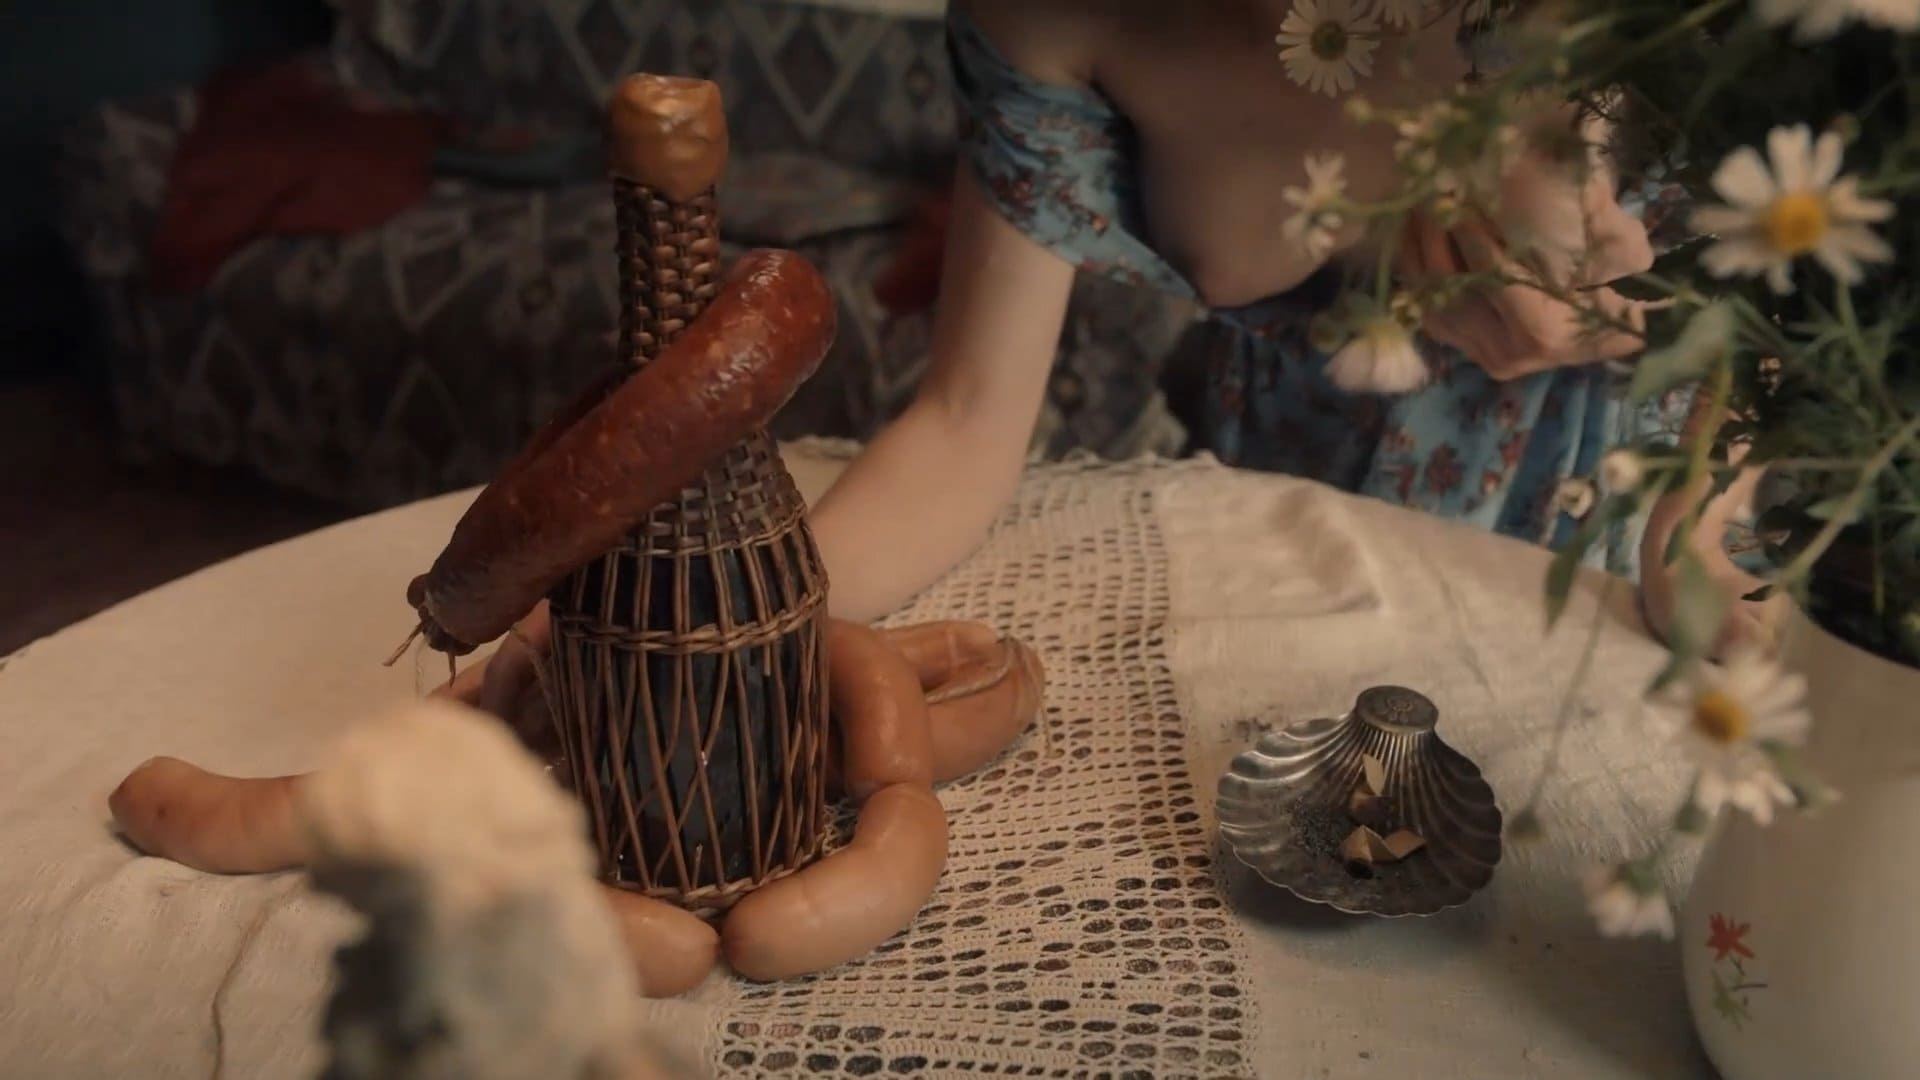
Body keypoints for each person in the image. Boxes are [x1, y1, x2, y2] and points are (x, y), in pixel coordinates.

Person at [805, 0, 1726, 629]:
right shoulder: (1050, 15)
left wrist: (1700, 529)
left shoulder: (1555, 30)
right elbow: (962, 426)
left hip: (1615, 535)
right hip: (1288, 528)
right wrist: (754, 622)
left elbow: (1789, 266)